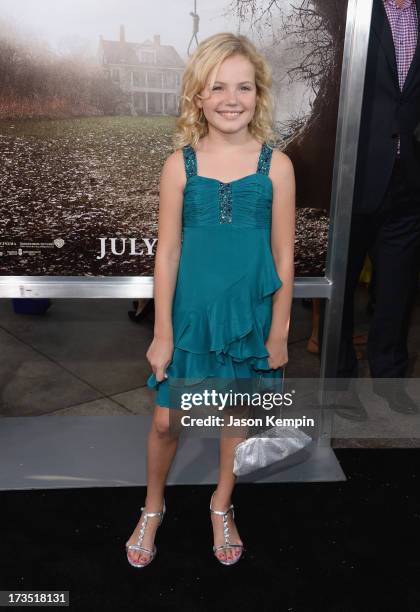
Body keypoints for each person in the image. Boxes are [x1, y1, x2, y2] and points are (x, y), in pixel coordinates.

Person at [125, 32, 295, 567]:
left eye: (243, 87)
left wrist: (280, 332)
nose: (231, 98)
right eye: (217, 86)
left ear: (258, 95)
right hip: (190, 321)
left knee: (235, 416)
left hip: (250, 321)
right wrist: (161, 332)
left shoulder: (278, 167)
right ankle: (153, 506)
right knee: (165, 421)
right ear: (198, 96)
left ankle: (222, 504)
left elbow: (285, 258)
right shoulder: (181, 166)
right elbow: (168, 254)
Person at [319, 0, 420, 420]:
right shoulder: (351, 10)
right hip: (352, 172)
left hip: (411, 178)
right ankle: (339, 383)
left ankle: (391, 377)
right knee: (338, 285)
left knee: (398, 289)